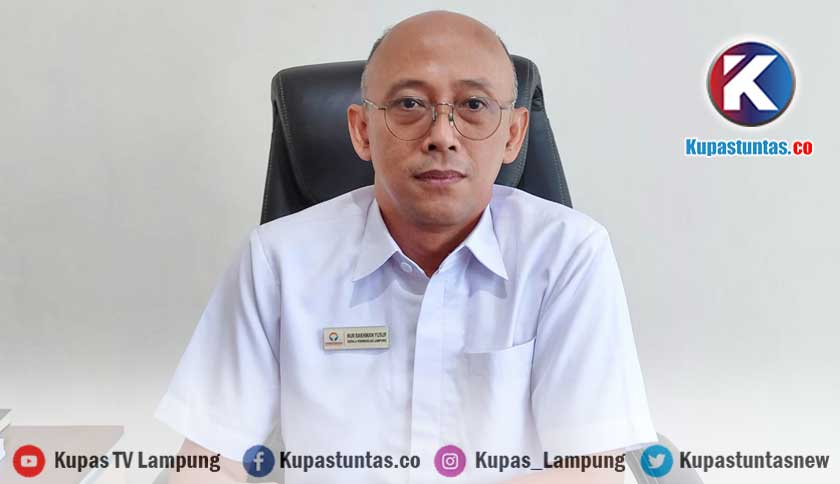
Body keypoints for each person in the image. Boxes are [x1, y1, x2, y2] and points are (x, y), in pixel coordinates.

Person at [156, 10, 657, 484]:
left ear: (513, 134)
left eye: (474, 105)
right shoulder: (276, 260)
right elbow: (208, 461)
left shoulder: (568, 254)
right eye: (410, 105)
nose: (442, 136)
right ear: (362, 131)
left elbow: (590, 468)